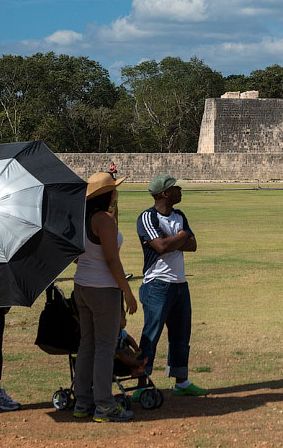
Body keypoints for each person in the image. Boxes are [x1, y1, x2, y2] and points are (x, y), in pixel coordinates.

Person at [72, 172, 138, 422]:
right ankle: (104, 405)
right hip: (103, 289)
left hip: (82, 286)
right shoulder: (103, 220)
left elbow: (77, 256)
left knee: (86, 346)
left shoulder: (85, 219)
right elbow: (112, 260)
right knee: (104, 348)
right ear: (108, 194)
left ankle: (82, 402)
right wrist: (127, 291)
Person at [136, 174, 207, 397]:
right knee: (151, 335)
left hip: (179, 283)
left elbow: (193, 245)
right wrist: (181, 236)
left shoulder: (179, 215)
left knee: (181, 336)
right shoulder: (148, 217)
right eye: (175, 188)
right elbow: (160, 247)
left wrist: (173, 240)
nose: (180, 190)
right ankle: (141, 384)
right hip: (157, 284)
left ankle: (181, 381)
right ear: (165, 193)